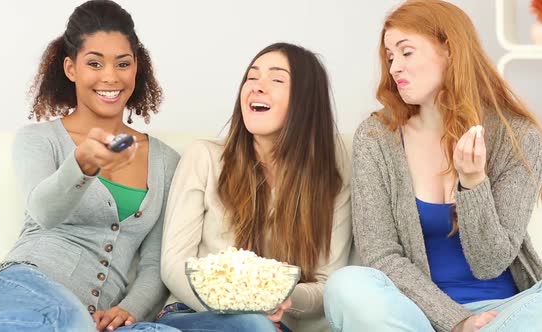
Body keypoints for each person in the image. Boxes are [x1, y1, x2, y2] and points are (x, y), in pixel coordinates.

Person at [0, 1, 181, 331]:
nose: (110, 76)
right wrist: (82, 165)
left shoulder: (166, 162)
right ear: (71, 68)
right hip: (25, 285)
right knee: (70, 321)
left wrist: (129, 309)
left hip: (92, 319)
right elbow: (43, 211)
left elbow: (155, 262)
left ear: (136, 69)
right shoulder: (39, 140)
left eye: (123, 63)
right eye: (94, 63)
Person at [323, 1, 542, 331]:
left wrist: (473, 182)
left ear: (450, 50)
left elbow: (490, 263)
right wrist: (458, 322)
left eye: (406, 52)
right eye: (390, 56)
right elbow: (380, 255)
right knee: (347, 285)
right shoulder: (377, 138)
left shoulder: (518, 136)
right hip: (412, 317)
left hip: (507, 315)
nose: (395, 66)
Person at [156, 42, 354, 332]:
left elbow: (327, 285)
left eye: (276, 79)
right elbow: (173, 264)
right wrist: (239, 308)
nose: (257, 87)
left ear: (305, 102)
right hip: (191, 315)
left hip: (272, 325)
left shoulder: (330, 183)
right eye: (251, 77)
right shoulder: (205, 157)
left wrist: (283, 298)